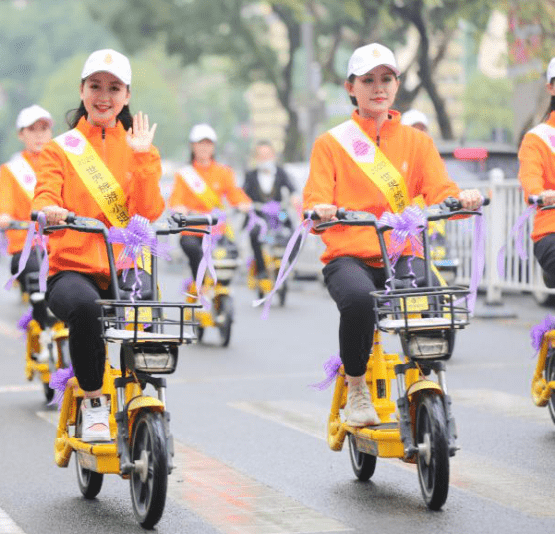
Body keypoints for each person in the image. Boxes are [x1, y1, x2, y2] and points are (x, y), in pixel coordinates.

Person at [303, 42, 483, 427]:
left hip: (401, 251)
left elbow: (441, 191)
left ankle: (423, 376)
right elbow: (316, 199)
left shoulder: (417, 142)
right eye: (368, 80)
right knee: (357, 300)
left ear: (397, 85)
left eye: (386, 79)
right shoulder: (331, 144)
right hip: (348, 256)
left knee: (433, 296)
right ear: (351, 87)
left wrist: (461, 199)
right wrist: (320, 210)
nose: (378, 87)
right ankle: (356, 389)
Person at [33, 49, 164, 442]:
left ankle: (141, 394)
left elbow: (148, 211)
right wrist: (49, 210)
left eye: (114, 87)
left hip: (126, 268)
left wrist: (142, 160)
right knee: (87, 310)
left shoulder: (142, 148)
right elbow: (43, 195)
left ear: (126, 95)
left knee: (150, 319)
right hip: (72, 268)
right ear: (82, 91)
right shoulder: (61, 149)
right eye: (95, 86)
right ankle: (93, 402)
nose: (103, 96)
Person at [168, 123, 251, 285]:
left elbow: (235, 193)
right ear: (193, 146)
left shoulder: (224, 172)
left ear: (213, 147)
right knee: (192, 248)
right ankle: (201, 283)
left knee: (231, 252)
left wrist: (243, 203)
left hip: (217, 229)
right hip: (192, 229)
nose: (204, 147)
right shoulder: (184, 175)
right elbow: (176, 199)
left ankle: (223, 288)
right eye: (200, 143)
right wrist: (180, 208)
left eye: (208, 143)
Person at [0, 104, 53, 298]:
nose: (39, 135)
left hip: (61, 242)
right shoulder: (11, 170)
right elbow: (5, 199)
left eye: (43, 129)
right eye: (32, 130)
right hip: (27, 244)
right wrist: (3, 215)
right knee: (37, 272)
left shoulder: (64, 163)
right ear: (21, 135)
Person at [518, 57, 555, 287]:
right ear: (551, 87)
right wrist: (540, 194)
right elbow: (531, 180)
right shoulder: (537, 138)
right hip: (551, 231)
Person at [242, 139, 298, 280]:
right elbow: (242, 195)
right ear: (256, 158)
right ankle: (261, 269)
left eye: (267, 155)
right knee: (254, 233)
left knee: (296, 231)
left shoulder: (280, 173)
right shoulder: (251, 175)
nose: (264, 158)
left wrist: (294, 198)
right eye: (261, 155)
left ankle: (289, 262)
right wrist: (244, 204)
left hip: (280, 214)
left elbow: (292, 189)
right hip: (258, 215)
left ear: (273, 155)